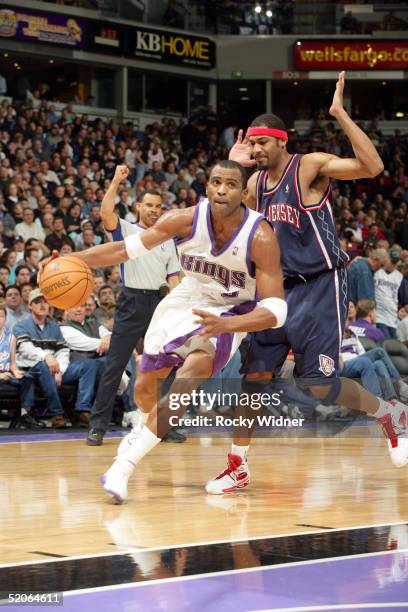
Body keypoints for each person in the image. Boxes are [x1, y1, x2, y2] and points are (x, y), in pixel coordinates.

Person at [40, 160, 287, 503]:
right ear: (206, 187)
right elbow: (123, 250)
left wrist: (228, 324)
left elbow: (276, 310)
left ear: (243, 193)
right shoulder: (182, 220)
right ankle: (144, 428)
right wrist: (72, 260)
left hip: (230, 311)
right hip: (187, 297)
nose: (221, 190)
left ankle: (122, 467)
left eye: (231, 185)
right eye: (215, 182)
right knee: (144, 389)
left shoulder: (260, 236)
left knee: (189, 377)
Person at [207, 70, 408, 491]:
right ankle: (237, 465)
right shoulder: (255, 184)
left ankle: (390, 414)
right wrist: (235, 166)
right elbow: (221, 219)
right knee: (255, 377)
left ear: (281, 141)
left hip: (320, 284)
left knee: (318, 387)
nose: (257, 149)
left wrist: (340, 114)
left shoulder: (309, 167)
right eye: (253, 143)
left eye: (262, 142)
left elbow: (373, 166)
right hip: (277, 289)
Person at [86, 166, 181, 446]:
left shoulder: (167, 239)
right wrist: (116, 180)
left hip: (158, 304)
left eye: (158, 206)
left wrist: (176, 305)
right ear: (139, 206)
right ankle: (98, 426)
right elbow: (105, 213)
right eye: (149, 205)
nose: (153, 210)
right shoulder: (126, 230)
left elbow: (173, 278)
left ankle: (162, 424)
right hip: (130, 301)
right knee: (114, 367)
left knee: (166, 366)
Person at [14, 289, 99, 428]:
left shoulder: (54, 326)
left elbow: (63, 350)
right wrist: (47, 357)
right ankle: (57, 413)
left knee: (89, 364)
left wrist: (59, 369)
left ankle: (81, 410)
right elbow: (25, 349)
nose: (43, 305)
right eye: (37, 302)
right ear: (30, 305)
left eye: (46, 302)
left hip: (56, 370)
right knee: (42, 365)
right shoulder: (21, 325)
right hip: (32, 370)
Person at [374, 249, 403, 339]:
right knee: (385, 341)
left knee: (393, 343)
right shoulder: (377, 272)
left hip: (392, 316)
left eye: (396, 261)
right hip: (379, 315)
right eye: (392, 260)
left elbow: (402, 297)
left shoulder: (399, 276)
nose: (393, 263)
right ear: (386, 259)